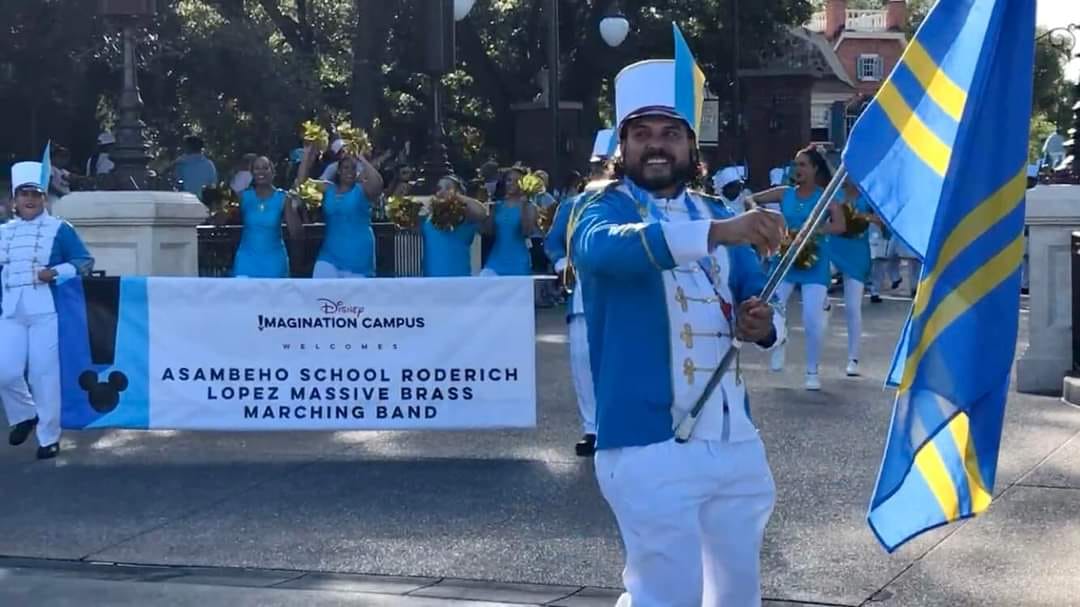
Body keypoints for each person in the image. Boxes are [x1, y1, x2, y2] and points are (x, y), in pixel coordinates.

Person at [571, 54, 787, 605]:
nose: (657, 145)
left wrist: (761, 326)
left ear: (691, 146)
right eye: (642, 133)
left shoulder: (715, 209)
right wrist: (715, 232)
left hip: (735, 439)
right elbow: (602, 252)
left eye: (670, 133)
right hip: (647, 443)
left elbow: (759, 302)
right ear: (624, 146)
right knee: (664, 594)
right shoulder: (595, 207)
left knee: (738, 594)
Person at [0, 158, 95, 460]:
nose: (29, 199)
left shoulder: (60, 229)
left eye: (35, 194)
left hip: (46, 311)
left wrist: (54, 272)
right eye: (23, 194)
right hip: (10, 311)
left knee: (43, 374)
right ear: (14, 199)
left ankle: (49, 437)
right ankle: (25, 414)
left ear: (44, 198)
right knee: (5, 371)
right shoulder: (4, 231)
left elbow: (84, 261)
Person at [748, 146, 846, 391]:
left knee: (811, 318)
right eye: (795, 164)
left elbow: (840, 225)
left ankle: (812, 371)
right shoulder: (784, 193)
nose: (797, 169)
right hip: (785, 260)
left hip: (814, 262)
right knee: (772, 306)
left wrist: (814, 232)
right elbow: (751, 198)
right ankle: (779, 341)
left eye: (803, 165)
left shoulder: (826, 197)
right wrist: (755, 211)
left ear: (814, 169)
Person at [544, 155, 612, 456]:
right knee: (583, 362)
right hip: (583, 295)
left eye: (606, 166)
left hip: (620, 293)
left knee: (618, 361)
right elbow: (553, 241)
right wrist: (562, 263)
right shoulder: (573, 205)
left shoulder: (633, 203)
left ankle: (619, 423)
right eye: (597, 167)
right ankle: (592, 429)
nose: (601, 172)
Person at [294, 143, 384, 278]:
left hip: (358, 256)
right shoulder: (328, 189)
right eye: (346, 168)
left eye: (353, 168)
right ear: (339, 171)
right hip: (329, 255)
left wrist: (362, 159)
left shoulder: (362, 190)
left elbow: (378, 184)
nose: (350, 172)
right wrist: (307, 153)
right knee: (321, 292)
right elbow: (303, 183)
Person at [829, 178, 877, 376]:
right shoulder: (835, 194)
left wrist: (862, 216)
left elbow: (883, 219)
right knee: (818, 279)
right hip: (834, 247)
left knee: (852, 307)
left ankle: (853, 358)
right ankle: (823, 305)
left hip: (857, 252)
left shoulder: (869, 195)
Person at [232, 156, 303, 278]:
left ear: (273, 172)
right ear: (252, 173)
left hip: (274, 261)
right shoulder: (244, 197)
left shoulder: (283, 198)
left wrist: (293, 207)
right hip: (246, 260)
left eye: (265, 168)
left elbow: (296, 233)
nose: (261, 172)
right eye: (257, 168)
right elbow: (221, 218)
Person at [421, 175, 488, 277]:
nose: (442, 191)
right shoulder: (429, 218)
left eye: (448, 188)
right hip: (431, 280)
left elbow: (482, 213)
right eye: (439, 188)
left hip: (459, 280)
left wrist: (455, 196)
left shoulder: (466, 217)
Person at [480, 166, 537, 276]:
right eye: (509, 180)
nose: (512, 183)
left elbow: (527, 232)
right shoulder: (497, 206)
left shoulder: (530, 207)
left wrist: (523, 206)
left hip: (518, 261)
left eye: (517, 181)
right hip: (495, 260)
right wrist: (488, 209)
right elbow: (487, 231)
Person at [172, 136, 218, 201]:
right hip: (204, 203)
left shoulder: (181, 164)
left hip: (185, 201)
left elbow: (177, 183)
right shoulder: (209, 164)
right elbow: (213, 185)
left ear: (188, 148)